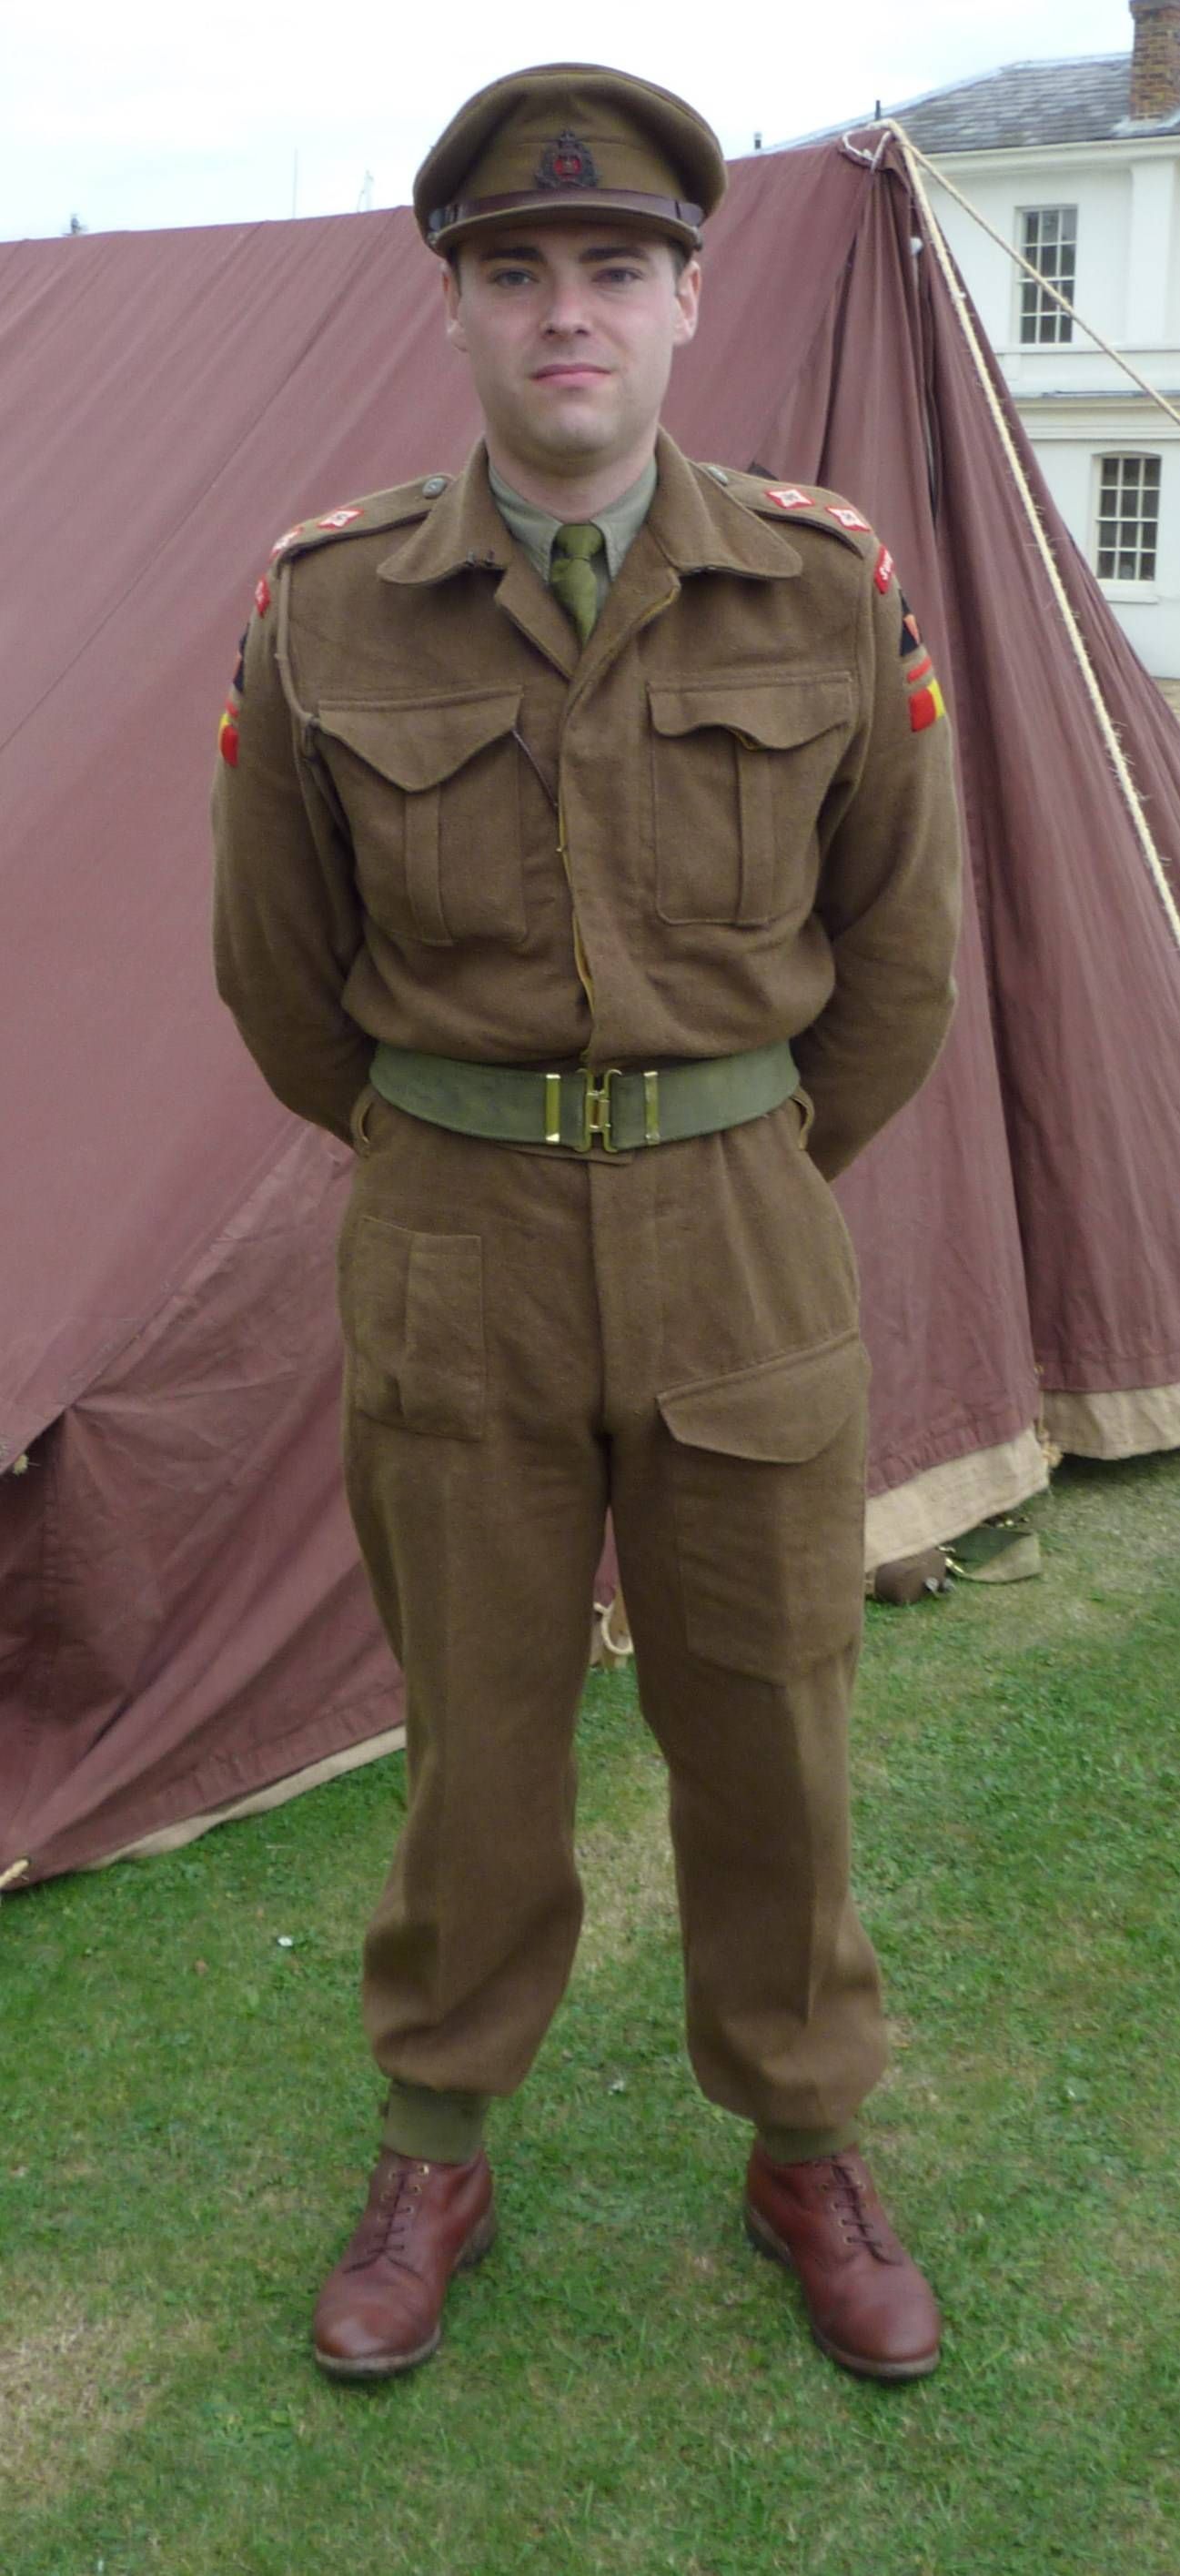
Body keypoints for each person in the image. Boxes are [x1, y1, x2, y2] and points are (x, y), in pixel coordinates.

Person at [211, 61, 962, 2387]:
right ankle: (437, 2145)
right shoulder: (328, 608)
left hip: (741, 1230)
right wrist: (461, 1147)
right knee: (477, 1735)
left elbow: (897, 953)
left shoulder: (820, 588)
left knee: (774, 1725)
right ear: (453, 307)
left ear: (682, 303)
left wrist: (738, 1157)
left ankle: (805, 2147)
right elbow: (279, 976)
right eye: (517, 270)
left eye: (613, 269)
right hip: (456, 1246)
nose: (567, 311)